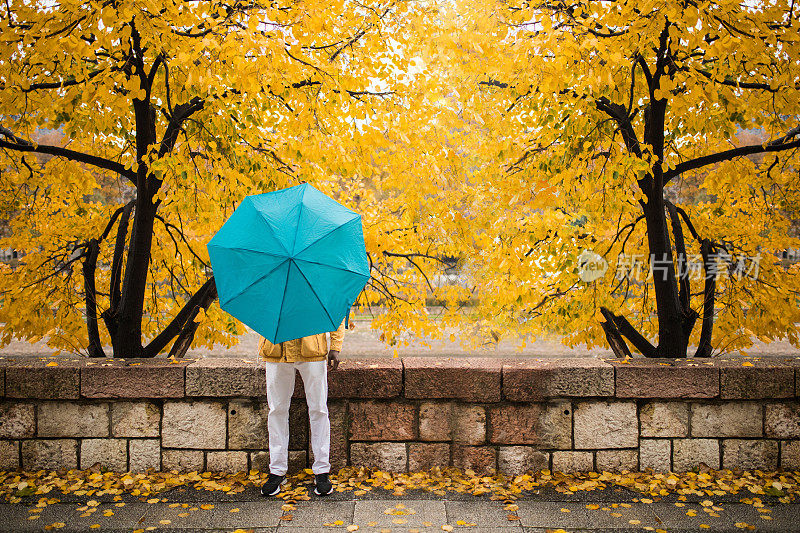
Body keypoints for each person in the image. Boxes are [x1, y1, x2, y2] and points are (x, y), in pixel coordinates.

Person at [257, 320, 344, 497]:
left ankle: (321, 470)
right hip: (276, 348)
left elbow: (335, 306)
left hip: (312, 349)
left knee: (319, 409)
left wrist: (336, 345)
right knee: (276, 411)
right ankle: (277, 470)